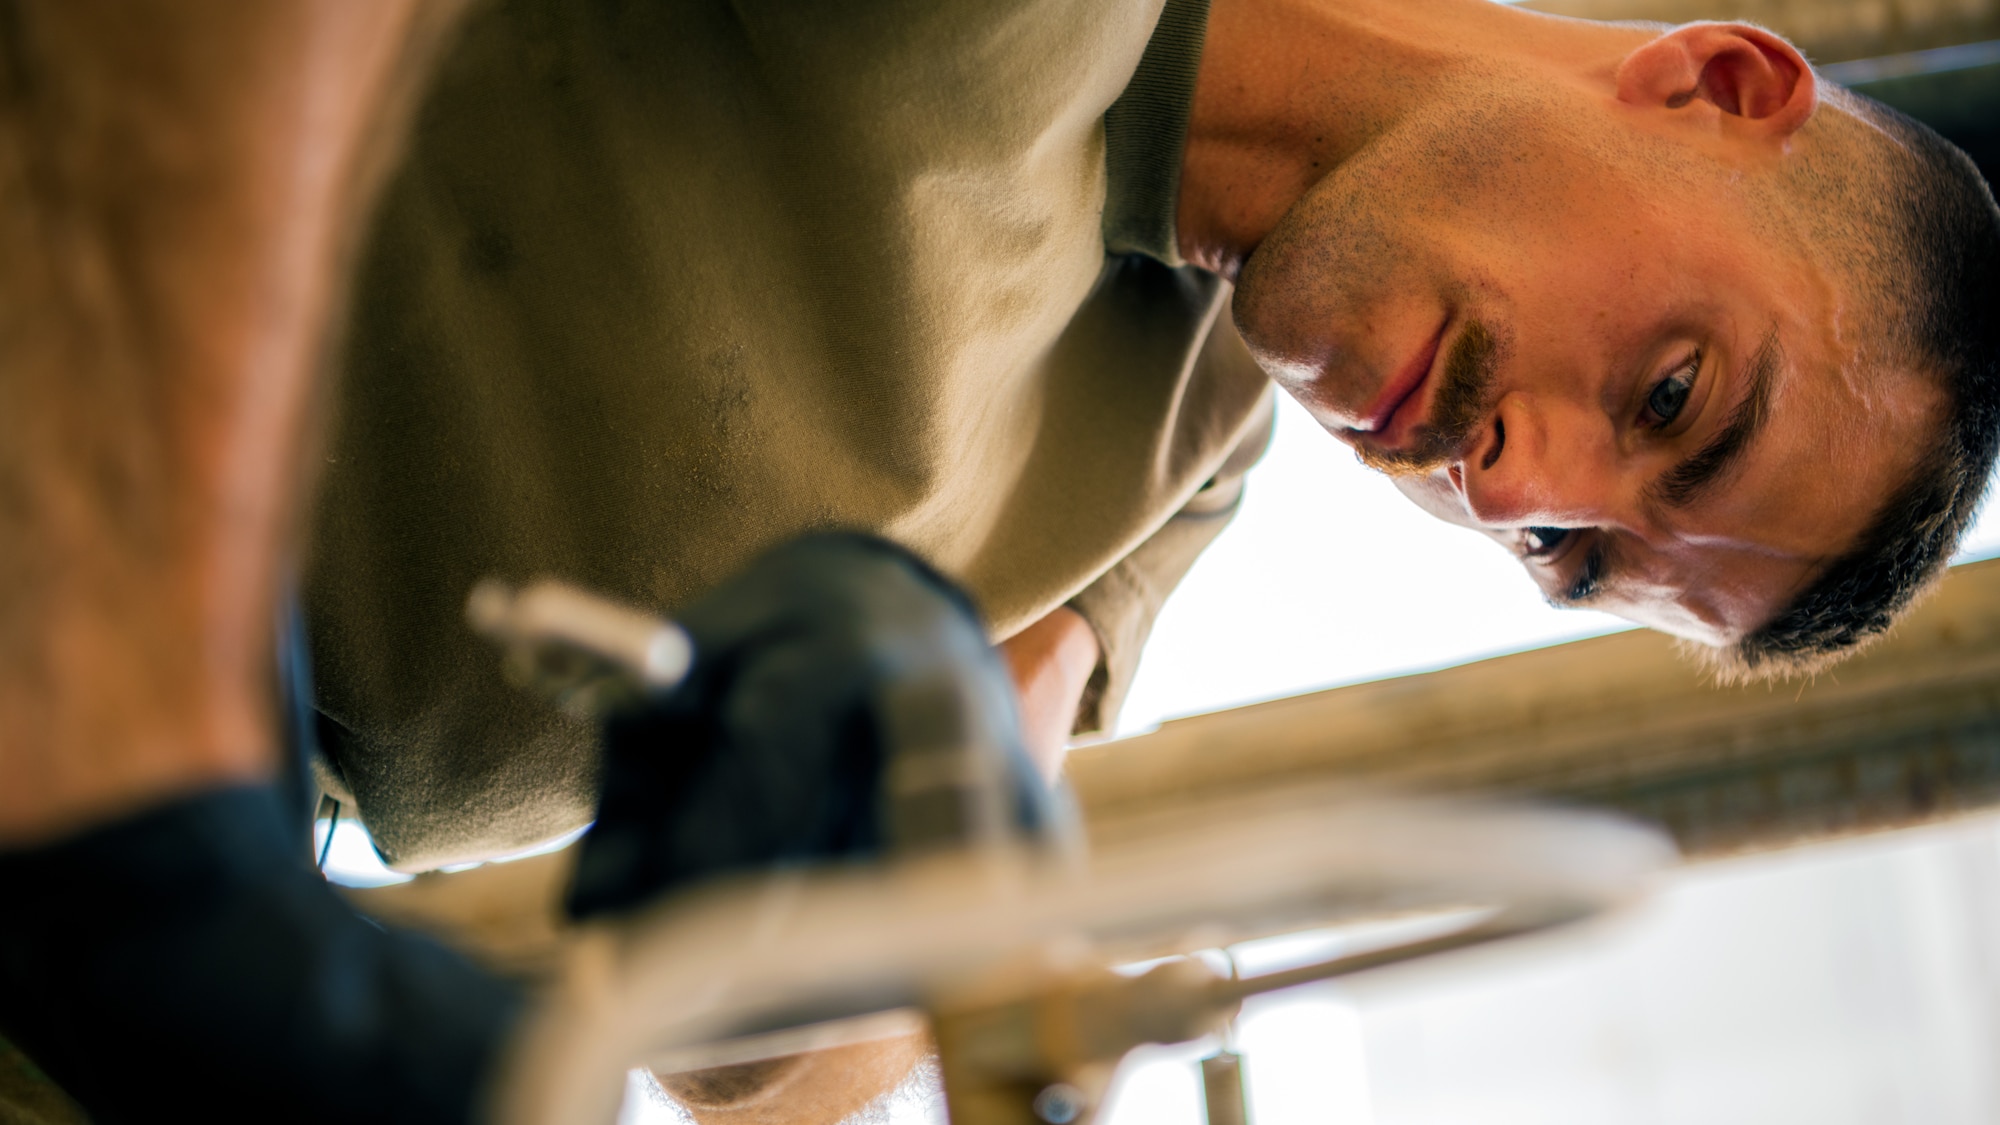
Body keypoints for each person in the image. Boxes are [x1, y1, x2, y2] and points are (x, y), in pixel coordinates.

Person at [1, 0, 1996, 1120]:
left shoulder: (1187, 456)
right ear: (1715, 88)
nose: (1507, 481)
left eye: (1572, 552)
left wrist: (901, 968)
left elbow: (810, 1038)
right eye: (1669, 391)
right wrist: (145, 768)